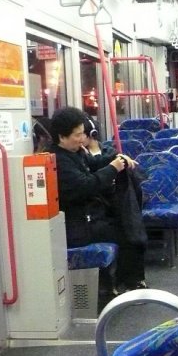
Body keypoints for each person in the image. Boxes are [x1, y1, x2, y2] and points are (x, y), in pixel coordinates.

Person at [42, 107, 148, 294]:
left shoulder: (75, 151)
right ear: (62, 137)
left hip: (89, 217)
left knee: (129, 225)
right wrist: (113, 168)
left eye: (83, 133)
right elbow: (86, 185)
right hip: (77, 226)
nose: (83, 138)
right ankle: (130, 283)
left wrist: (117, 158)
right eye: (77, 134)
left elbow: (93, 163)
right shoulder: (58, 160)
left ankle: (123, 281)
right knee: (129, 233)